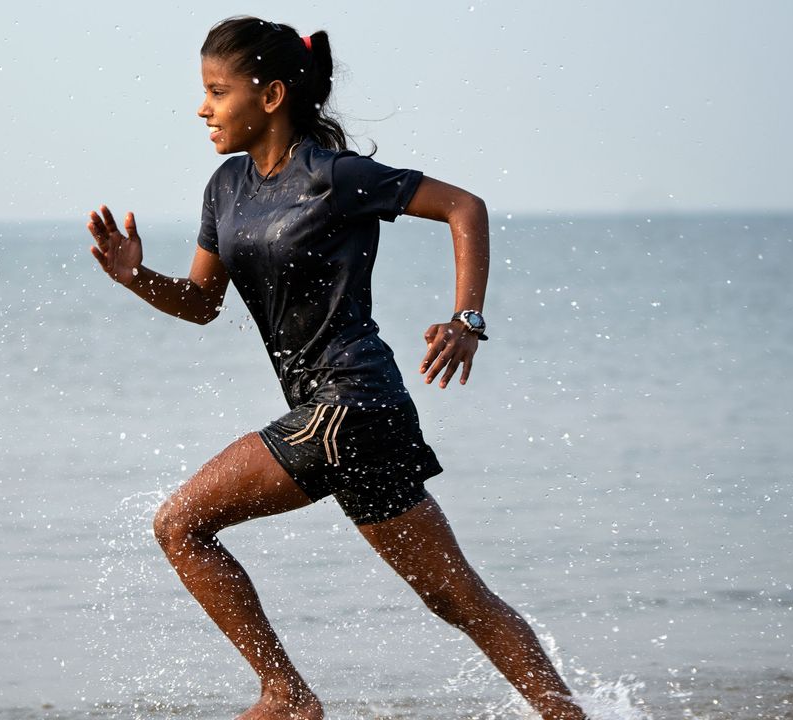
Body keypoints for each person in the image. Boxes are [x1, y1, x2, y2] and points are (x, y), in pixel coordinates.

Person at [86, 16, 586, 720]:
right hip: (362, 418)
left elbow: (463, 207)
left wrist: (467, 319)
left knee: (180, 527)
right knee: (457, 598)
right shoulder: (226, 187)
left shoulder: (335, 176)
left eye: (216, 91)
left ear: (271, 96)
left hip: (348, 406)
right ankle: (567, 715)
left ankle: (286, 694)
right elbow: (201, 304)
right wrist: (136, 278)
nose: (203, 107)